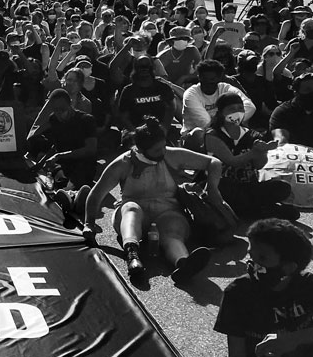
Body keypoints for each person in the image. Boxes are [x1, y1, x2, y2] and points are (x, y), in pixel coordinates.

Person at [83, 117, 237, 283]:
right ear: (141, 149)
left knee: (171, 232)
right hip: (132, 213)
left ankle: (183, 263)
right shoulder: (123, 163)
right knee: (131, 209)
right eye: (157, 150)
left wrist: (213, 187)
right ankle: (132, 255)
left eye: (164, 146)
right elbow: (97, 193)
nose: (162, 152)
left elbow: (213, 163)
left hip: (167, 211)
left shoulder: (171, 155)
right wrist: (89, 224)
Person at [214, 219, 313, 357]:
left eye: (262, 258)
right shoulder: (238, 293)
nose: (254, 265)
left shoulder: (308, 286)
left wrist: (293, 339)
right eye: (251, 256)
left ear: (289, 268)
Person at [205, 93, 298, 220]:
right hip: (224, 186)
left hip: (248, 186)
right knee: (226, 190)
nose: (237, 112)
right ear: (221, 112)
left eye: (240, 108)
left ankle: (252, 210)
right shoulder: (213, 135)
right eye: (232, 109)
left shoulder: (252, 134)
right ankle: (261, 210)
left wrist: (262, 151)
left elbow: (259, 165)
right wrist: (254, 152)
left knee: (282, 187)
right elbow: (232, 161)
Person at [28, 88, 97, 189]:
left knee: (79, 176)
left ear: (70, 104)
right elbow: (56, 145)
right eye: (56, 110)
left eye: (62, 109)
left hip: (83, 163)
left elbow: (91, 150)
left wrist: (61, 155)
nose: (59, 114)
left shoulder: (86, 120)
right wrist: (41, 163)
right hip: (64, 164)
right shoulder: (54, 119)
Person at [182, 60, 255, 135]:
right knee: (198, 132)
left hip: (225, 131)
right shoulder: (190, 94)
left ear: (219, 78)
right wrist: (231, 120)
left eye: (212, 80)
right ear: (199, 77)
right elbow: (205, 122)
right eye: (204, 80)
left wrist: (234, 120)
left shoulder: (226, 88)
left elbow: (250, 107)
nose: (208, 84)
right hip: (195, 135)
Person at [270, 72, 313, 147]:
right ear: (296, 93)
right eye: (307, 89)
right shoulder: (283, 112)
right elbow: (281, 140)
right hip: (295, 155)